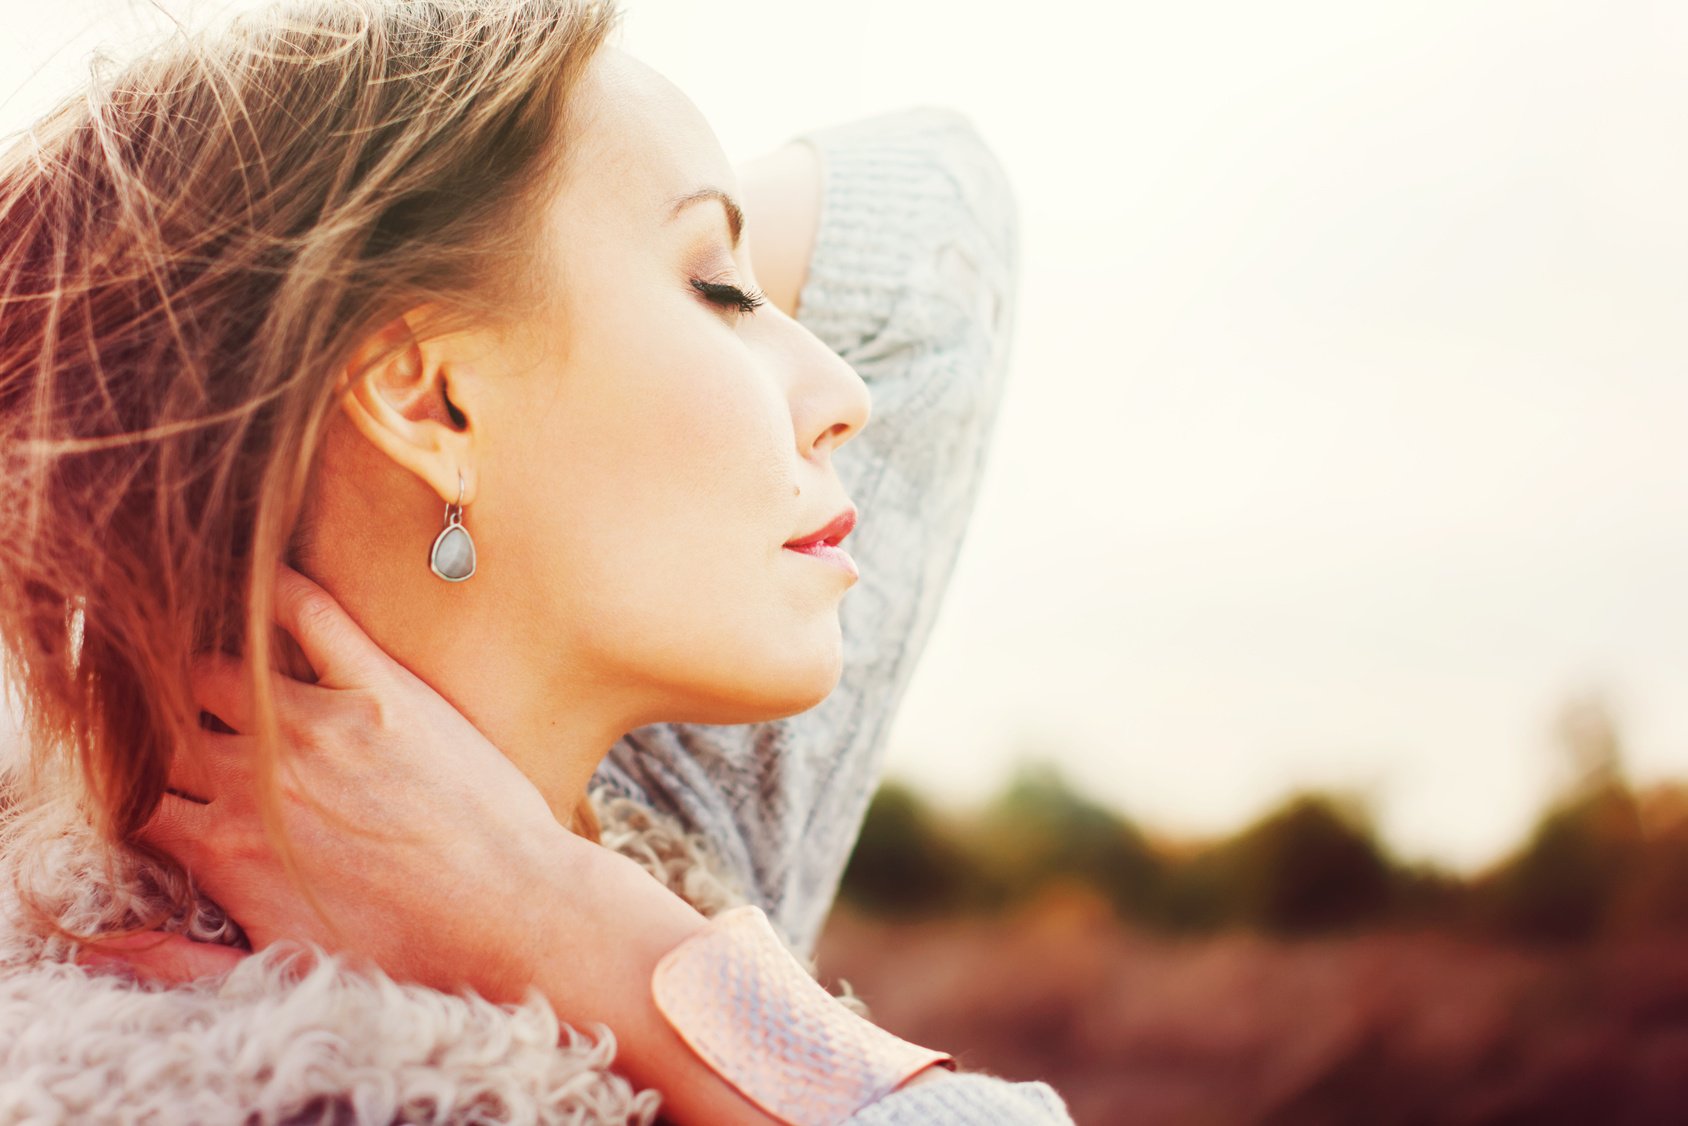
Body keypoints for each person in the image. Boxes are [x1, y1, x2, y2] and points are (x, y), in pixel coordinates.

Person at [0, 0, 1073, 1121]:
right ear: (430, 397)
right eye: (720, 290)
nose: (842, 396)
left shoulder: (635, 827)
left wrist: (549, 904)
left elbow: (933, 214)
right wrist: (566, 929)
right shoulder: (231, 1084)